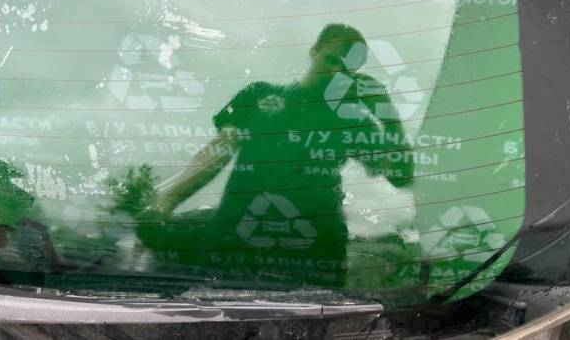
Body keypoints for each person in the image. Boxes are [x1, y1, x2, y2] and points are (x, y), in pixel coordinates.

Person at [142, 23, 415, 288]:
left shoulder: (353, 121)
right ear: (314, 51)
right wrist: (167, 199)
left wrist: (387, 113)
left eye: (345, 69)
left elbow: (400, 176)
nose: (335, 71)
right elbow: (218, 151)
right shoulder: (259, 94)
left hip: (317, 252)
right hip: (234, 241)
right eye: (330, 59)